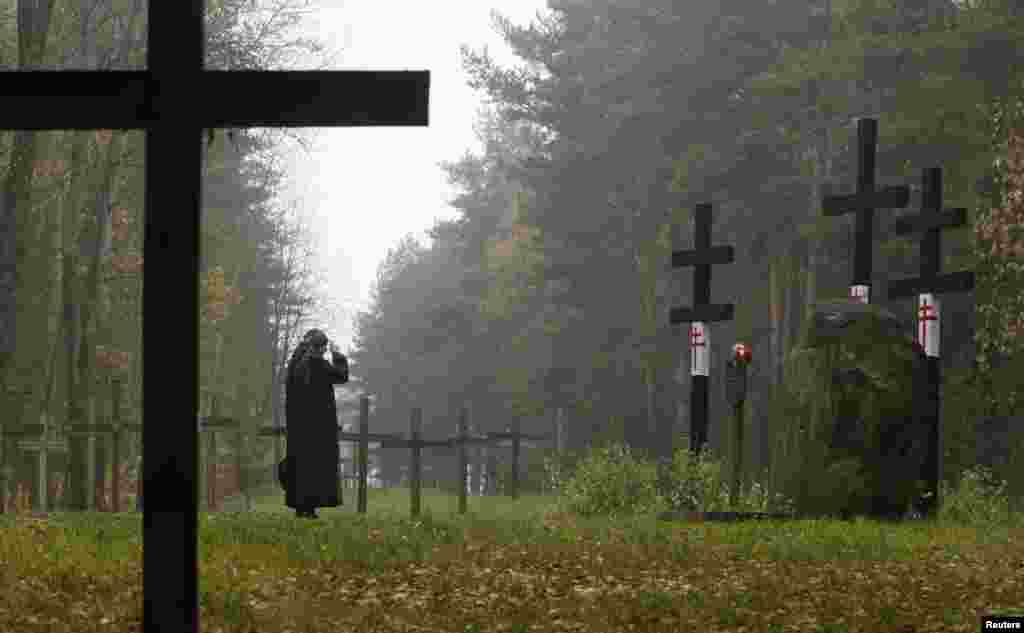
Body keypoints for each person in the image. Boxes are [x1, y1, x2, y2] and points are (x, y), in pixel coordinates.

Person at [283, 328, 349, 518]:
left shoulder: (295, 365)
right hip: (319, 428)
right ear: (320, 348)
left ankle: (301, 507)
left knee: (301, 466)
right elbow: (342, 375)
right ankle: (310, 508)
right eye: (324, 348)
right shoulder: (319, 365)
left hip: (299, 428)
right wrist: (338, 356)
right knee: (316, 467)